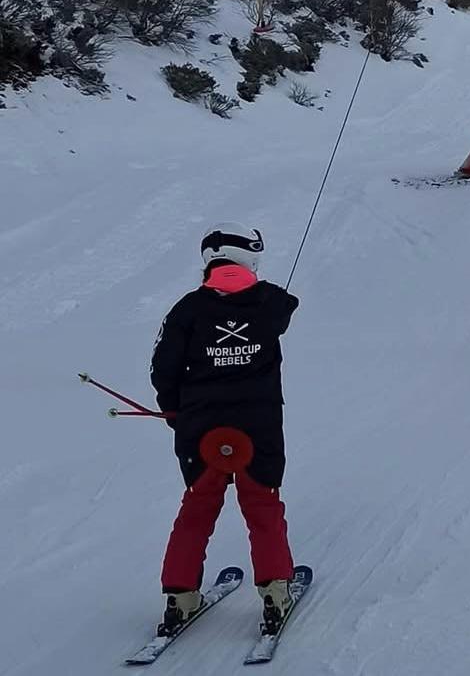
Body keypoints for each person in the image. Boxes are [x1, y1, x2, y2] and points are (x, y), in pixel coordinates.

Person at [150, 222, 299, 636]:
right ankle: (275, 593)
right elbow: (286, 307)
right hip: (259, 428)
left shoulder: (186, 310)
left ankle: (179, 600)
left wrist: (174, 412)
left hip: (201, 429)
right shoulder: (270, 303)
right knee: (263, 506)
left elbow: (162, 369)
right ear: (250, 257)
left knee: (196, 510)